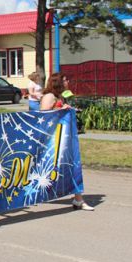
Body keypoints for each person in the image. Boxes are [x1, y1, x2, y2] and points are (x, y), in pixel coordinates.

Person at [41, 72, 94, 211]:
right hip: (53, 141)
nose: (67, 82)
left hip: (64, 138)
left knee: (72, 164)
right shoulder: (49, 96)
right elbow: (42, 116)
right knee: (48, 167)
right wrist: (60, 109)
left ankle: (78, 199)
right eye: (65, 80)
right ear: (57, 82)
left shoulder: (61, 97)